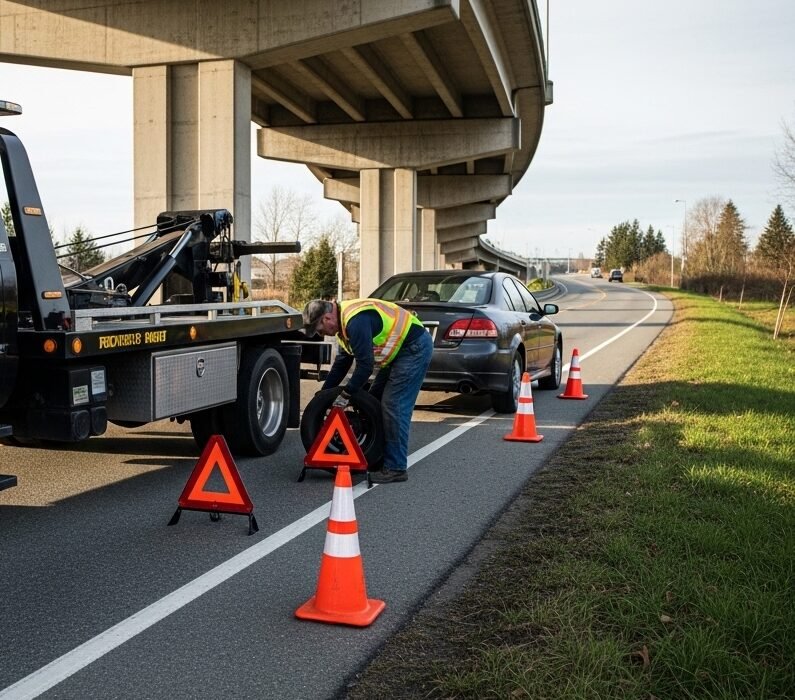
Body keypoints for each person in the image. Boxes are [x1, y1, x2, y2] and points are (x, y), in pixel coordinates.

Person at [302, 298, 433, 484]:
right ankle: (377, 456)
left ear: (327, 318)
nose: (320, 333)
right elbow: (342, 364)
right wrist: (323, 396)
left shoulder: (355, 322)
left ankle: (396, 468)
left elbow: (365, 367)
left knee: (393, 405)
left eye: (319, 329)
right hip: (396, 353)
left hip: (414, 348)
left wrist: (346, 395)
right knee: (373, 401)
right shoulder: (343, 327)